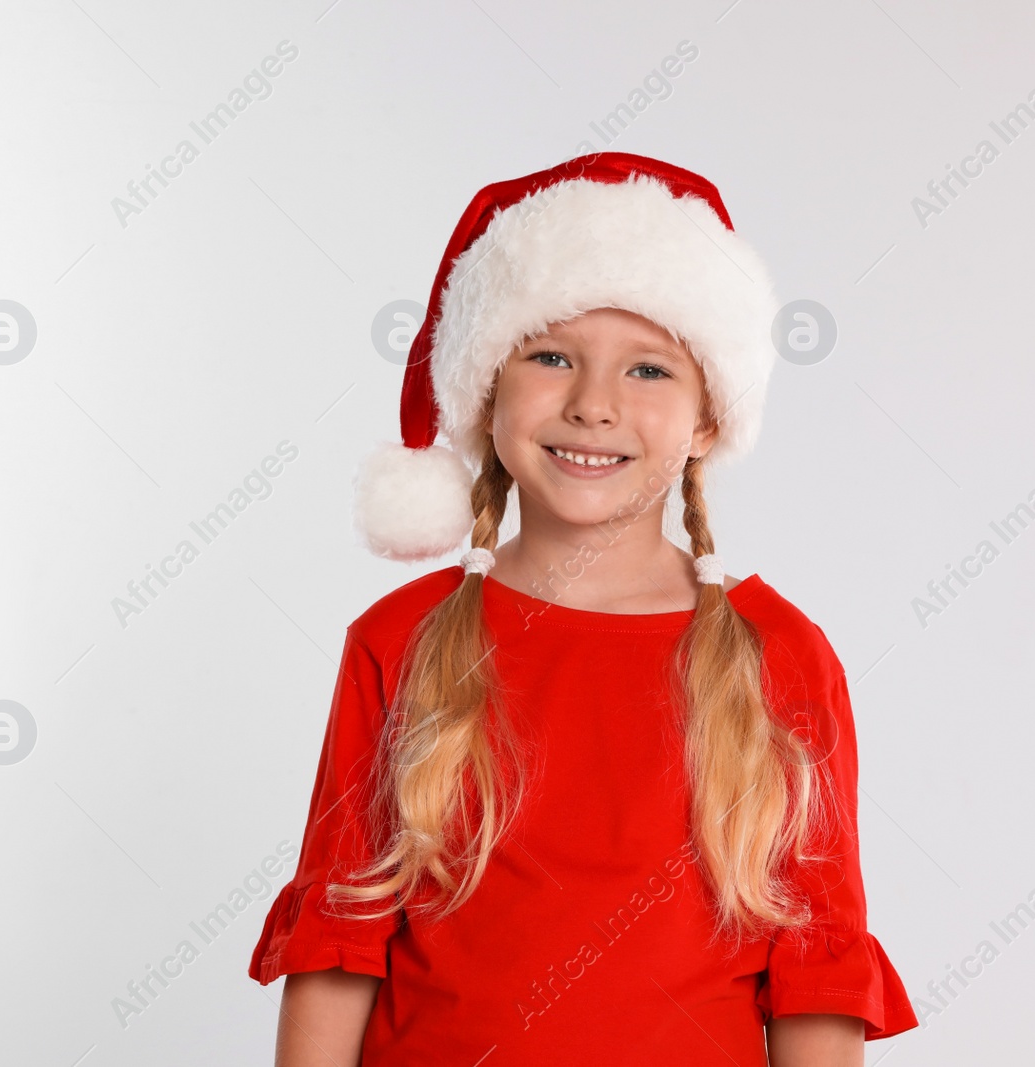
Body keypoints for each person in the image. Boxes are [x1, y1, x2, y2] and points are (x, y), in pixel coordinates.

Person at [248, 152, 918, 1065]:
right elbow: (340, 937)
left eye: (648, 370)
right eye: (552, 356)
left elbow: (816, 970)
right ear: (488, 393)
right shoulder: (398, 641)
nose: (594, 404)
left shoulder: (780, 655)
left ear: (708, 420)